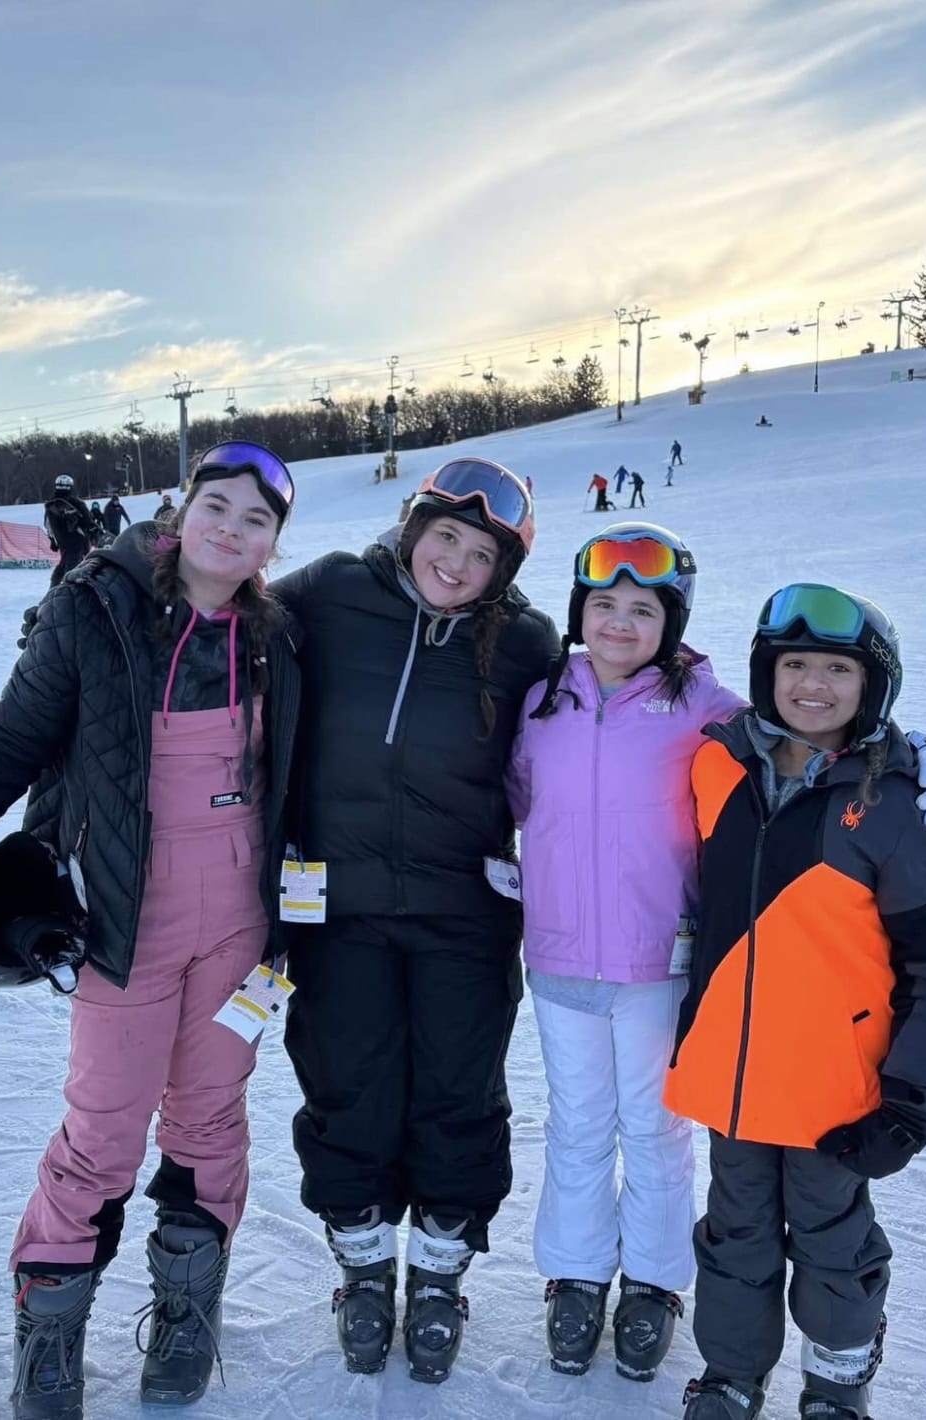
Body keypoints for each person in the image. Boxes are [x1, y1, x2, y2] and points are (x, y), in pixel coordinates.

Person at [504, 532, 926, 1388]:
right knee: (577, 1127)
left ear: (672, 623)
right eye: (604, 605)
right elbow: (499, 789)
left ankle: (656, 1284)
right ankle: (578, 1275)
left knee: (657, 1135)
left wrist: (924, 756)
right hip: (569, 964)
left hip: (665, 967)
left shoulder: (704, 714)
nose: (620, 623)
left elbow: (831, 736)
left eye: (643, 609)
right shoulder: (543, 703)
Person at [0, 440, 302, 1419]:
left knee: (210, 1116)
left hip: (241, 925)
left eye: (257, 519)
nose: (232, 530)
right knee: (104, 1131)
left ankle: (186, 1310)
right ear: (182, 509)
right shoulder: (97, 607)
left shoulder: (278, 635)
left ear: (272, 544)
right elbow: (11, 737)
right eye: (218, 505)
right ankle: (49, 1331)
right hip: (127, 917)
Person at [276, 456, 559, 1384]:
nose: (456, 563)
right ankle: (363, 1265)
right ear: (411, 529)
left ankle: (439, 1273)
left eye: (482, 555)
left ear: (502, 573)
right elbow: (220, 621)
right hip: (336, 904)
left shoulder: (525, 643)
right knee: (347, 1083)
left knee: (457, 1091)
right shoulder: (329, 592)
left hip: (465, 912)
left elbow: (617, 710)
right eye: (446, 536)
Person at [667, 583, 926, 1420]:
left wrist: (912, 1099)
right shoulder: (717, 766)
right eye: (794, 664)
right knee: (735, 1233)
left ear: (872, 685)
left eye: (838, 669)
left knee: (832, 1237)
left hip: (834, 1088)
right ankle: (732, 1372)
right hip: (731, 1074)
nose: (812, 684)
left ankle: (838, 1377)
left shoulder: (896, 805)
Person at [43, 475, 97, 587]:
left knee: (63, 565)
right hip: (77, 540)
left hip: (62, 542)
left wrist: (53, 541)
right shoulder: (77, 503)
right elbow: (88, 522)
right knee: (72, 568)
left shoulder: (50, 504)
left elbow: (47, 525)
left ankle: (53, 587)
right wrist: (93, 533)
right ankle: (66, 590)